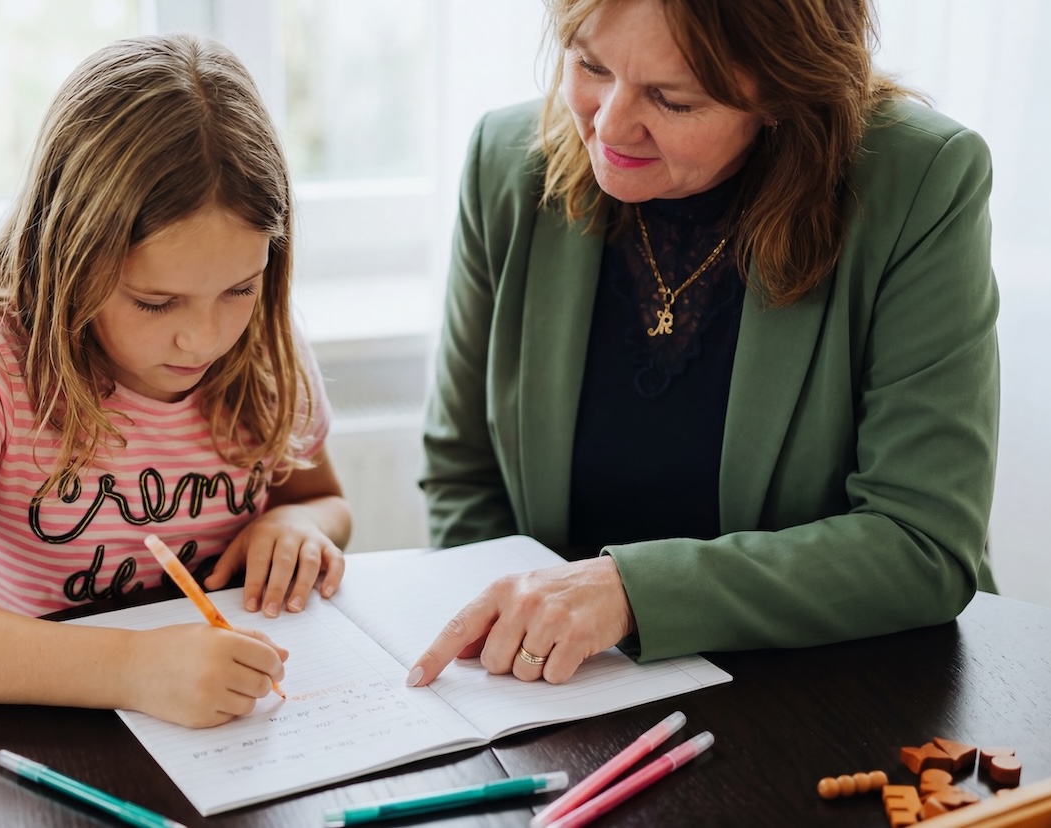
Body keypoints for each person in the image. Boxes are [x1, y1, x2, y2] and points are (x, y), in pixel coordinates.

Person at [407, 0, 998, 689]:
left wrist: (630, 593)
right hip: (565, 694)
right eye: (590, 64)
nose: (611, 123)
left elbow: (921, 544)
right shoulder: (505, 164)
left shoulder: (920, 181)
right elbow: (463, 473)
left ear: (782, 89)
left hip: (844, 691)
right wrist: (508, 645)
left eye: (673, 99)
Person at [0, 34, 351, 728]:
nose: (205, 338)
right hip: (19, 732)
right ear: (67, 255)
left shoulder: (264, 350)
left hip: (216, 732)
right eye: (155, 303)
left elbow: (325, 500)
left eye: (239, 289)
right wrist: (130, 668)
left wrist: (297, 523)